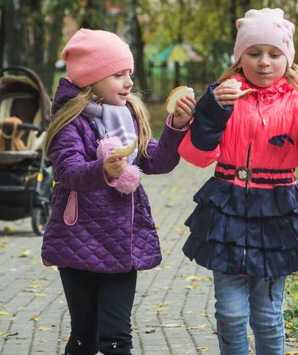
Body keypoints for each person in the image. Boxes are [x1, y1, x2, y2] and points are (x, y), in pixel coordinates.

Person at [178, 8, 298, 354]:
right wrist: (212, 112)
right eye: (254, 53)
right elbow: (197, 154)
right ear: (239, 56)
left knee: (268, 316)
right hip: (226, 212)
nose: (264, 62)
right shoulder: (223, 96)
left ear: (288, 59)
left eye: (275, 54)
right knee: (229, 313)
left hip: (276, 211)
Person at [40, 28, 196, 355]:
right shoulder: (70, 122)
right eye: (118, 75)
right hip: (78, 240)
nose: (128, 82)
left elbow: (158, 160)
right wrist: (102, 170)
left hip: (120, 245)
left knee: (116, 337)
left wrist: (176, 127)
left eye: (130, 74)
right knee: (84, 334)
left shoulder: (126, 117)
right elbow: (67, 171)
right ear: (91, 79)